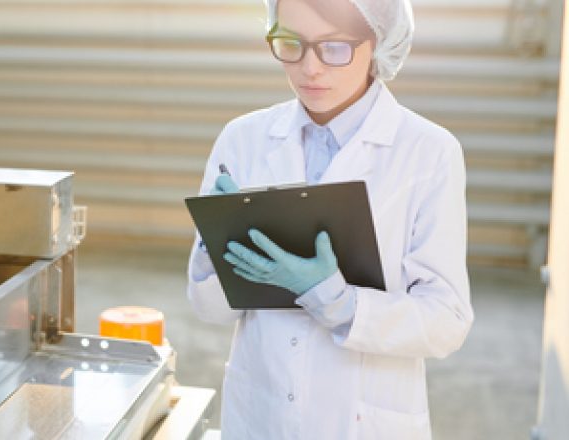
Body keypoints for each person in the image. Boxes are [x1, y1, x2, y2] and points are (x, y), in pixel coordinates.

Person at [185, 0, 475, 438]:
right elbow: (209, 309)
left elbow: (447, 320)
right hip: (261, 412)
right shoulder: (242, 139)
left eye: (335, 48)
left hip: (364, 419)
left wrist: (339, 302)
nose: (310, 68)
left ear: (379, 44)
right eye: (290, 44)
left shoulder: (429, 152)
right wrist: (217, 251)